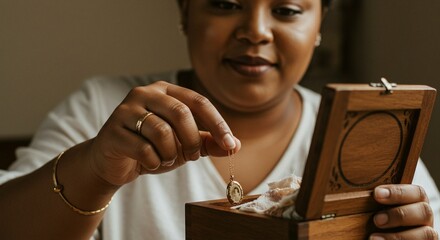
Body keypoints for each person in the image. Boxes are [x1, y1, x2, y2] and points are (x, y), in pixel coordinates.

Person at [0, 0, 438, 239]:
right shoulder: (101, 108)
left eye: (286, 10)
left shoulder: (364, 136)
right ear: (184, 11)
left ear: (322, 21)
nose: (256, 31)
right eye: (226, 3)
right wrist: (95, 168)